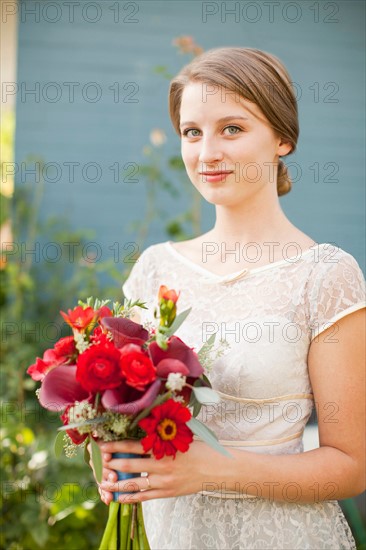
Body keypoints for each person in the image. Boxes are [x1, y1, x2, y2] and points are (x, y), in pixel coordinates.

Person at [94, 47, 365, 549]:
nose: (206, 152)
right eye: (192, 132)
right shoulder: (155, 269)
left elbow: (350, 468)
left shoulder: (326, 275)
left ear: (282, 139)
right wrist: (113, 456)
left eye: (232, 129)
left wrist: (214, 470)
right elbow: (124, 410)